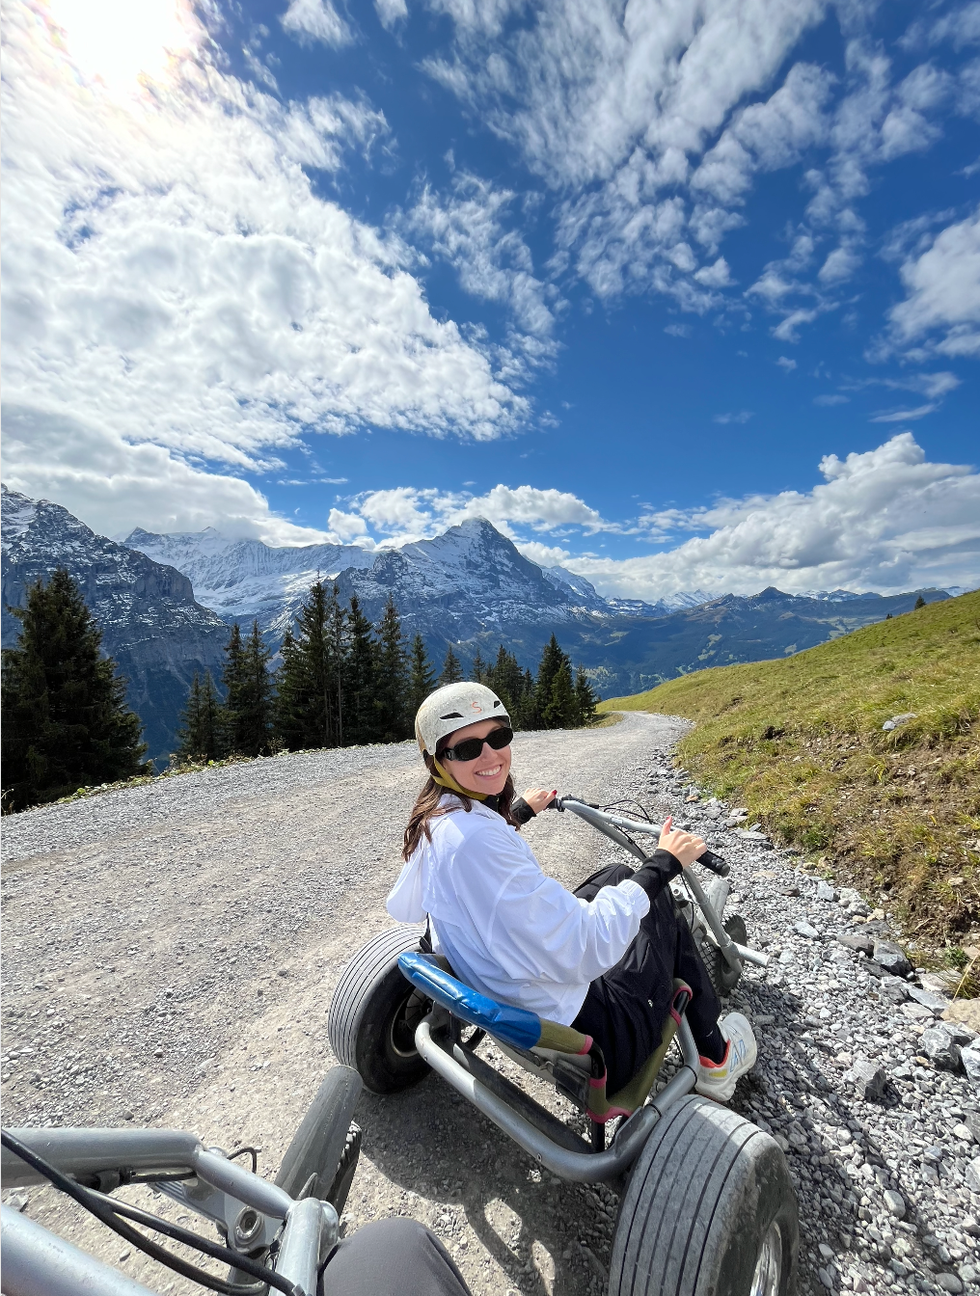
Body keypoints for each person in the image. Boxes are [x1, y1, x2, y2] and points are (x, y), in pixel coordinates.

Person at [387, 682, 757, 1103]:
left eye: (498, 737)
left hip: (500, 984)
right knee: (656, 903)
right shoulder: (478, 844)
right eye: (467, 749)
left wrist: (517, 814)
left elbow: (471, 876)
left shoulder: (437, 822)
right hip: (594, 1025)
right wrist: (663, 864)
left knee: (618, 873)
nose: (490, 755)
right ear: (438, 761)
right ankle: (716, 1057)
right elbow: (586, 945)